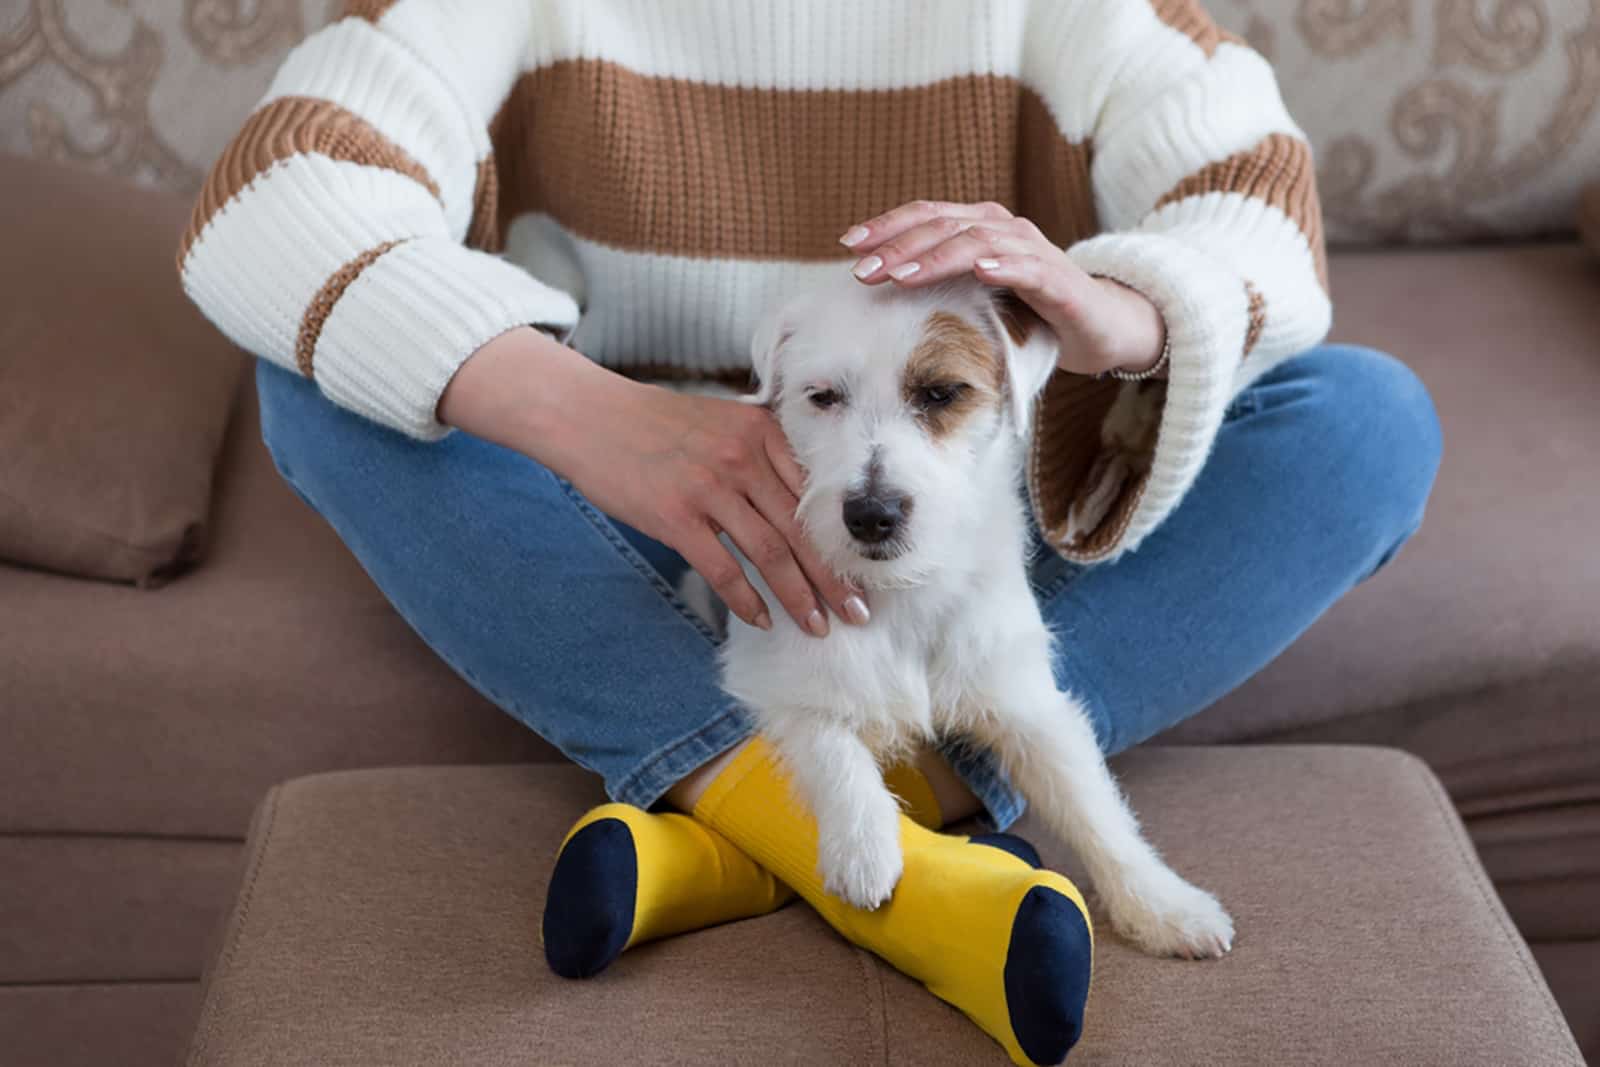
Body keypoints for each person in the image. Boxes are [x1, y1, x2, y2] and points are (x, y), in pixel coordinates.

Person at [178, 2, 1441, 1062]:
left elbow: (1256, 195)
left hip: (962, 538)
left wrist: (1113, 311)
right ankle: (912, 857)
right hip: (618, 524)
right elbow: (267, 196)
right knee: (314, 376)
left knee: (1366, 420)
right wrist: (601, 419)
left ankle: (753, 820)